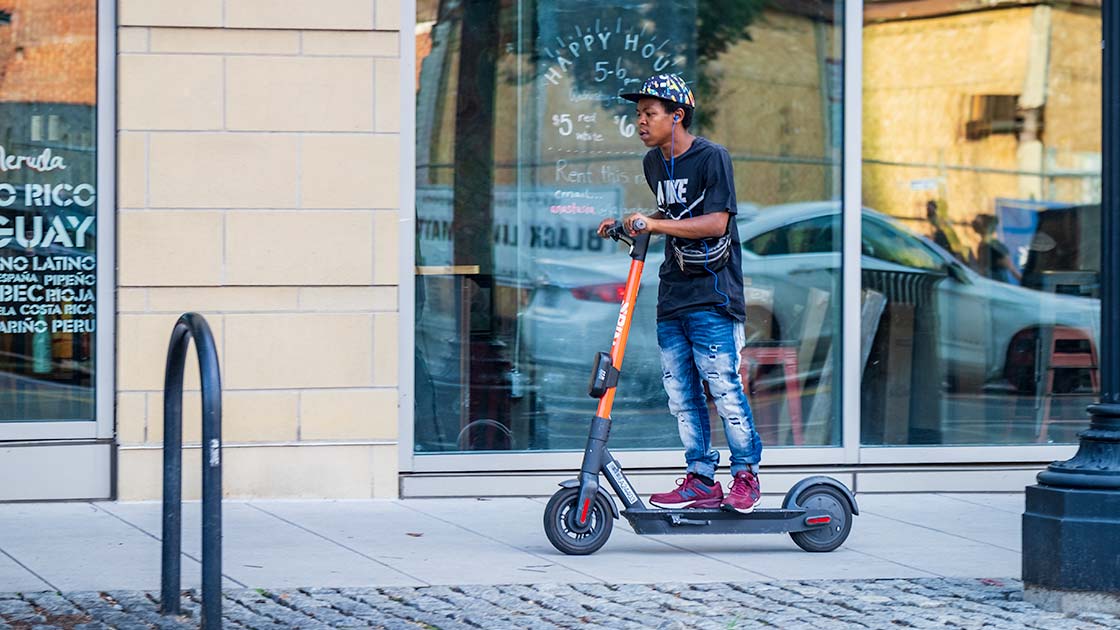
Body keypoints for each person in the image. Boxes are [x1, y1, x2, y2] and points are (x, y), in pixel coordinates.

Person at [597, 73, 762, 513]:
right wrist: (629, 223)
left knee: (723, 388)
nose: (640, 122)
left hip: (713, 292)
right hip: (673, 293)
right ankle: (701, 479)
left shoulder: (712, 158)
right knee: (681, 394)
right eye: (638, 114)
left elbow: (715, 222)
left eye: (650, 114)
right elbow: (671, 214)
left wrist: (653, 224)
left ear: (678, 116)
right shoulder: (654, 164)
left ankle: (746, 474)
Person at [972, 213, 1022, 284]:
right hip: (994, 284)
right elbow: (1011, 268)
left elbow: (1010, 267)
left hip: (995, 284)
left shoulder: (990, 245)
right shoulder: (988, 245)